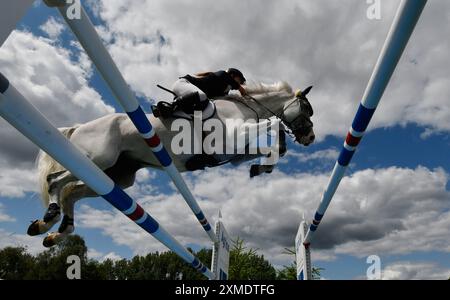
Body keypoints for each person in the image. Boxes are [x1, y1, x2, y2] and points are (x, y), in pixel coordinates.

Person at [154, 68, 247, 118]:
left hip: (189, 94)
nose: (239, 83)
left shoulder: (221, 89)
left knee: (205, 105)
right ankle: (168, 106)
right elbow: (234, 83)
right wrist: (241, 89)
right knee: (202, 96)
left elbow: (223, 99)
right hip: (183, 84)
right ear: (232, 75)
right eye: (239, 80)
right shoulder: (222, 74)